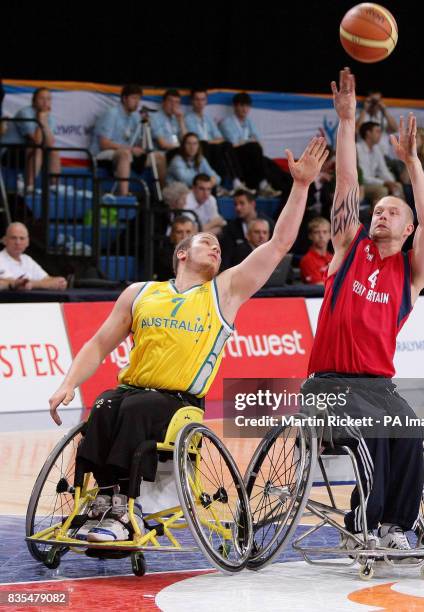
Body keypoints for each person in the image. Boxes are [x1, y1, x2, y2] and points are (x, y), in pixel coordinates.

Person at [48, 135, 330, 543]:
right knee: (106, 402)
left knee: (133, 408)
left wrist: (300, 186)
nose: (216, 247)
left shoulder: (225, 291)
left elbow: (279, 243)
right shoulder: (141, 292)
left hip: (179, 402)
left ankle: (125, 512)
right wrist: (67, 384)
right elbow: (96, 345)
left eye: (218, 246)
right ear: (181, 254)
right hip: (133, 391)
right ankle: (102, 500)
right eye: (206, 243)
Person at [303, 68, 424, 554]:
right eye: (377, 210)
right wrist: (347, 122)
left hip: (379, 387)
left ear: (407, 230)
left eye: (391, 213)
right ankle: (363, 526)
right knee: (376, 434)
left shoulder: (411, 271)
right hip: (328, 384)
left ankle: (395, 527)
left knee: (412, 432)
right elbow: (344, 181)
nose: (380, 215)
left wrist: (412, 163)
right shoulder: (348, 244)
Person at [91, 84, 166, 196]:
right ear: (124, 99)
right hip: (103, 154)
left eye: (139, 99)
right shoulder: (112, 114)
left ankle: (162, 196)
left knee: (160, 157)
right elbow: (104, 143)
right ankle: (124, 196)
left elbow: (139, 144)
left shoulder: (135, 117)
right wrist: (130, 149)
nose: (137, 102)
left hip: (127, 152)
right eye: (133, 98)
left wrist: (146, 125)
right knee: (125, 154)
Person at [220, 92, 291, 197]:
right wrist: (250, 141)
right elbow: (235, 143)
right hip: (236, 156)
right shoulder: (227, 122)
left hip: (251, 154)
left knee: (271, 164)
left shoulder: (249, 122)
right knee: (254, 148)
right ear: (235, 106)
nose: (245, 109)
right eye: (242, 105)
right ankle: (262, 185)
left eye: (247, 106)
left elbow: (259, 142)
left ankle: (287, 188)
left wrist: (247, 141)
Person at [1, 87, 61, 191]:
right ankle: (29, 186)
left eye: (48, 99)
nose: (45, 102)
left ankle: (54, 186)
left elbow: (50, 143)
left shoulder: (50, 118)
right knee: (37, 148)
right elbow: (36, 141)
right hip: (9, 152)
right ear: (34, 101)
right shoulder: (25, 113)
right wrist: (41, 119)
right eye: (41, 98)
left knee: (54, 151)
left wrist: (44, 122)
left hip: (28, 152)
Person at [185, 89, 242, 192]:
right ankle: (216, 186)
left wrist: (212, 142)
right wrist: (211, 141)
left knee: (226, 145)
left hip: (212, 147)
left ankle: (236, 181)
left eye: (202, 99)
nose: (200, 103)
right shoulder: (187, 118)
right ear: (192, 101)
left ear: (206, 101)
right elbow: (195, 139)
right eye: (197, 99)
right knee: (205, 144)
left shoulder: (208, 118)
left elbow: (220, 137)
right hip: (199, 147)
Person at [0, 222, 67, 290]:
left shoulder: (27, 259)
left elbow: (47, 279)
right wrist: (45, 284)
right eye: (13, 238)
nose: (18, 242)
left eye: (22, 238)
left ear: (27, 242)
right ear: (5, 240)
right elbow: (10, 282)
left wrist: (59, 282)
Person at [219, 189, 274, 269]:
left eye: (242, 203)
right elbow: (226, 257)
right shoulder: (230, 228)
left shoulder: (269, 223)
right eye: (235, 204)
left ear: (252, 204)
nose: (238, 208)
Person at [356, 121, 404, 204]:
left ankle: (400, 213)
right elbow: (363, 177)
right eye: (377, 131)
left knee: (398, 186)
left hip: (372, 182)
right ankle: (377, 215)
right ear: (368, 133)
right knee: (382, 190)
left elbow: (383, 170)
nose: (380, 135)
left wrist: (392, 182)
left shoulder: (376, 149)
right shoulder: (357, 149)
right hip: (359, 185)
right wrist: (384, 183)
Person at [356, 89, 398, 158]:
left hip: (383, 154)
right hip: (365, 154)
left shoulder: (383, 116)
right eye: (373, 101)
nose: (375, 104)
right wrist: (365, 109)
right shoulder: (360, 115)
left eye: (377, 101)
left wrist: (384, 110)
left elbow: (395, 129)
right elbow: (356, 130)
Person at [154, 216, 196, 281]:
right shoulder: (163, 255)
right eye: (179, 232)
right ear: (172, 235)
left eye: (188, 232)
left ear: (194, 234)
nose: (184, 236)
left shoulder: (202, 253)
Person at [150, 89, 187, 160]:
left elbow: (186, 140)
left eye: (177, 102)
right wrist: (182, 148)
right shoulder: (155, 117)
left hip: (178, 152)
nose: (173, 105)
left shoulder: (177, 118)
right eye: (170, 101)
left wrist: (181, 121)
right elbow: (163, 144)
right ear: (163, 102)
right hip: (164, 153)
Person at [299, 217, 333, 285]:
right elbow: (318, 285)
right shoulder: (307, 260)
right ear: (310, 236)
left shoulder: (332, 258)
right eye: (317, 232)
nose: (321, 236)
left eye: (325, 232)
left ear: (330, 235)